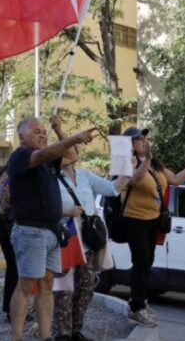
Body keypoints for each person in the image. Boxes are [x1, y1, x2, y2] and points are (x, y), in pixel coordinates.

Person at [7, 115, 94, 341]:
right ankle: (16, 337)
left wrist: (59, 130)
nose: (42, 135)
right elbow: (43, 154)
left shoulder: (48, 162)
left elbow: (72, 156)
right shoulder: (20, 156)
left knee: (46, 285)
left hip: (52, 232)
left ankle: (45, 337)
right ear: (22, 136)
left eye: (44, 131)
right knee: (26, 285)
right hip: (31, 232)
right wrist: (75, 137)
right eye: (36, 131)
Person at [120, 126, 185, 327]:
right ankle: (136, 308)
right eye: (139, 139)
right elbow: (135, 181)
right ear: (130, 144)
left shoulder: (154, 163)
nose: (144, 141)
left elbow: (176, 180)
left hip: (153, 220)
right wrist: (146, 160)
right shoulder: (128, 162)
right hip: (134, 219)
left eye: (144, 138)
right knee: (141, 262)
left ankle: (139, 301)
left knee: (148, 262)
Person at [51, 133, 139, 341]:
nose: (74, 151)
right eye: (69, 149)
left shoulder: (85, 176)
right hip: (65, 242)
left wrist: (128, 170)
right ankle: (62, 334)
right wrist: (67, 212)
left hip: (88, 243)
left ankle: (75, 330)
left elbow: (112, 189)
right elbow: (44, 209)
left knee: (86, 288)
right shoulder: (51, 179)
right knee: (64, 291)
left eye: (74, 148)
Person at [0, 167, 17, 322]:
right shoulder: (11, 175)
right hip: (10, 222)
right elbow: (7, 202)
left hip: (6, 222)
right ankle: (12, 310)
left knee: (14, 268)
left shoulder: (7, 174)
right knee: (15, 268)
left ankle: (11, 309)